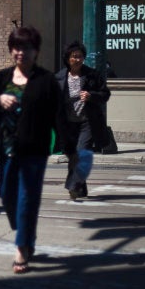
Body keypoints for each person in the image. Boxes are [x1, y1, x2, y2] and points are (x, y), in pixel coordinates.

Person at [0, 25, 72, 274]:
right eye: (16, 47)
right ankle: (27, 236)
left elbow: (58, 115)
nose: (21, 52)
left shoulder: (46, 81)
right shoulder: (2, 78)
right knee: (7, 197)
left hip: (35, 150)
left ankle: (21, 249)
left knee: (27, 200)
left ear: (36, 51)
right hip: (6, 150)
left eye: (26, 48)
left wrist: (70, 148)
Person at [55, 41, 111, 200]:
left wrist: (91, 96)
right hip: (68, 124)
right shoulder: (59, 77)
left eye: (80, 56)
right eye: (74, 56)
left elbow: (105, 94)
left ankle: (73, 186)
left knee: (80, 153)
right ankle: (81, 187)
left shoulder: (92, 75)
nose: (78, 59)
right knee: (73, 157)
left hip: (87, 122)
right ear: (68, 58)